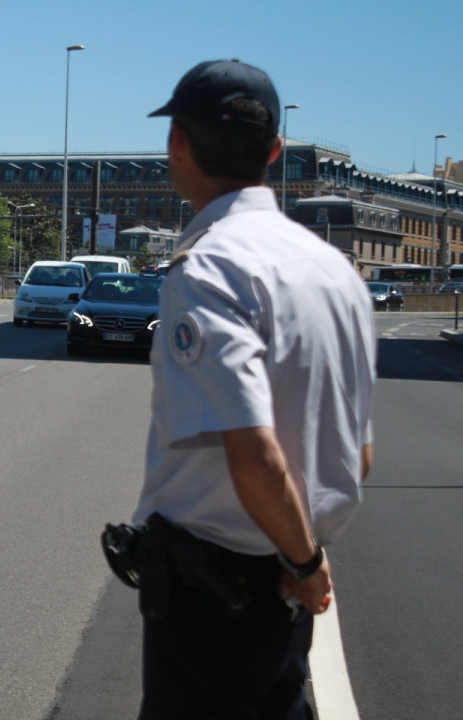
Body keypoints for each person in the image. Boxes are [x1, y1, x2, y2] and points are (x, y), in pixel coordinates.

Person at [129, 59, 376, 719]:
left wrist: (305, 559)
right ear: (273, 150)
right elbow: (361, 453)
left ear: (177, 143)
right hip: (281, 597)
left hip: (214, 600)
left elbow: (254, 454)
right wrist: (299, 561)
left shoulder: (208, 271)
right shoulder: (337, 273)